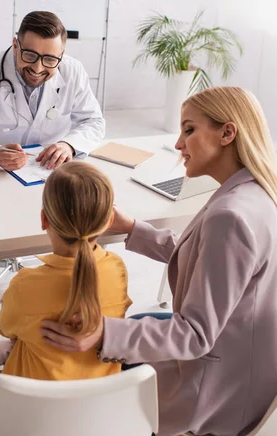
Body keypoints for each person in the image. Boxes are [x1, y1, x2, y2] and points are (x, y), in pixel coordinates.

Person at [41, 86, 277, 436]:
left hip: (219, 392)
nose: (178, 144)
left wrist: (102, 332)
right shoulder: (254, 192)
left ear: (227, 133)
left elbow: (195, 335)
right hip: (247, 358)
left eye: (189, 129)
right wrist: (132, 228)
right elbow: (205, 258)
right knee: (138, 322)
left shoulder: (230, 216)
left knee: (104, 355)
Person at [0, 11, 105, 369]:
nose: (39, 67)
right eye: (29, 55)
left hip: (46, 173)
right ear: (15, 44)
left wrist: (70, 145)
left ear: (61, 55)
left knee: (89, 207)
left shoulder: (70, 71)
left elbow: (93, 122)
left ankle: (76, 309)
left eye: (49, 59)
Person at [0, 162, 132, 379]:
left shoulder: (25, 285)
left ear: (44, 220)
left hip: (34, 400)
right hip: (100, 399)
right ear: (110, 220)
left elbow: (7, 328)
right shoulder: (117, 269)